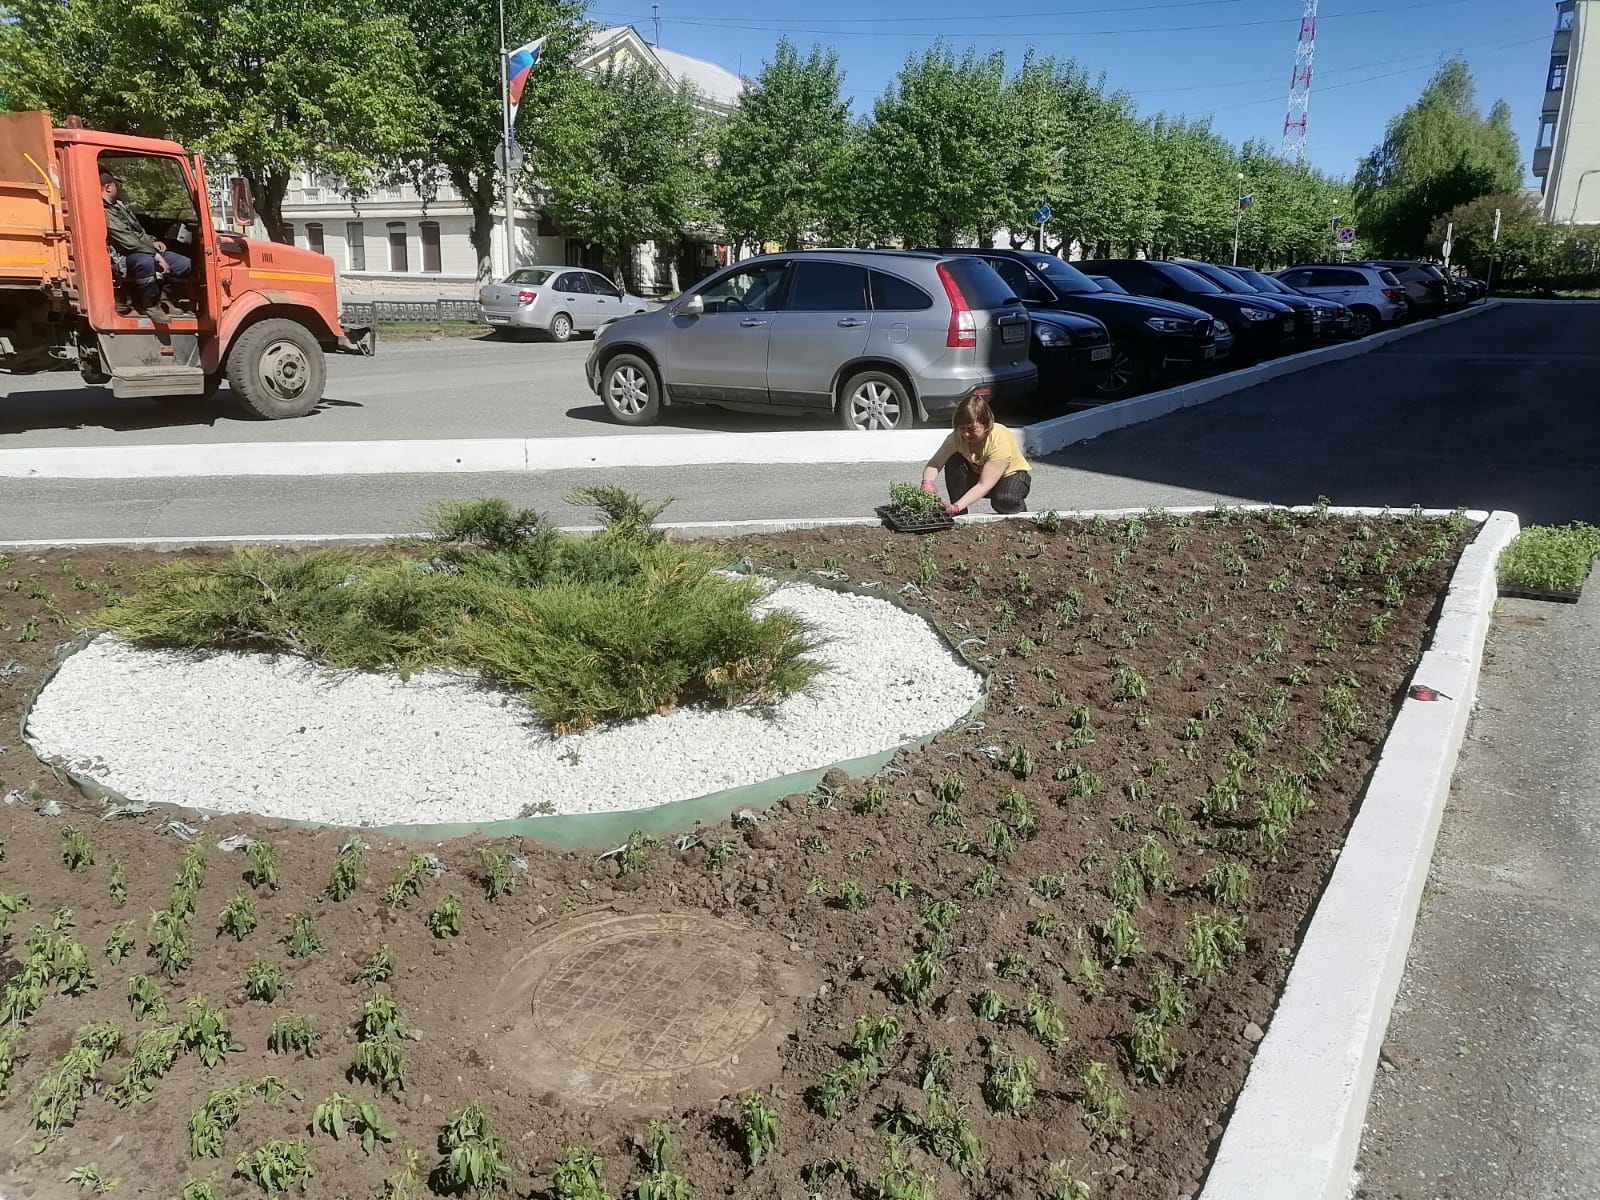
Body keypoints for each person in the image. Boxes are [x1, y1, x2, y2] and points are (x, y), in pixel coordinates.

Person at [101, 170, 191, 320]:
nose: (119, 188)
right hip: (122, 258)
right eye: (116, 185)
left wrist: (153, 241)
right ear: (108, 187)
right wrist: (154, 254)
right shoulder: (104, 211)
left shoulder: (119, 206)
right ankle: (149, 304)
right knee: (145, 261)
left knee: (183, 264)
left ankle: (164, 298)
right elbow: (128, 242)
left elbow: (139, 232)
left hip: (141, 250)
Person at [920, 396, 1033, 515]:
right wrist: (927, 483)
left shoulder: (999, 440)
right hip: (981, 477)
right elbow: (935, 463)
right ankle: (959, 515)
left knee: (1004, 500)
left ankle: (1022, 519)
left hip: (1010, 477)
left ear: (986, 423)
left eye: (972, 428)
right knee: (954, 460)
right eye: (962, 428)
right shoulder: (957, 437)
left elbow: (984, 485)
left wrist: (956, 506)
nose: (966, 434)